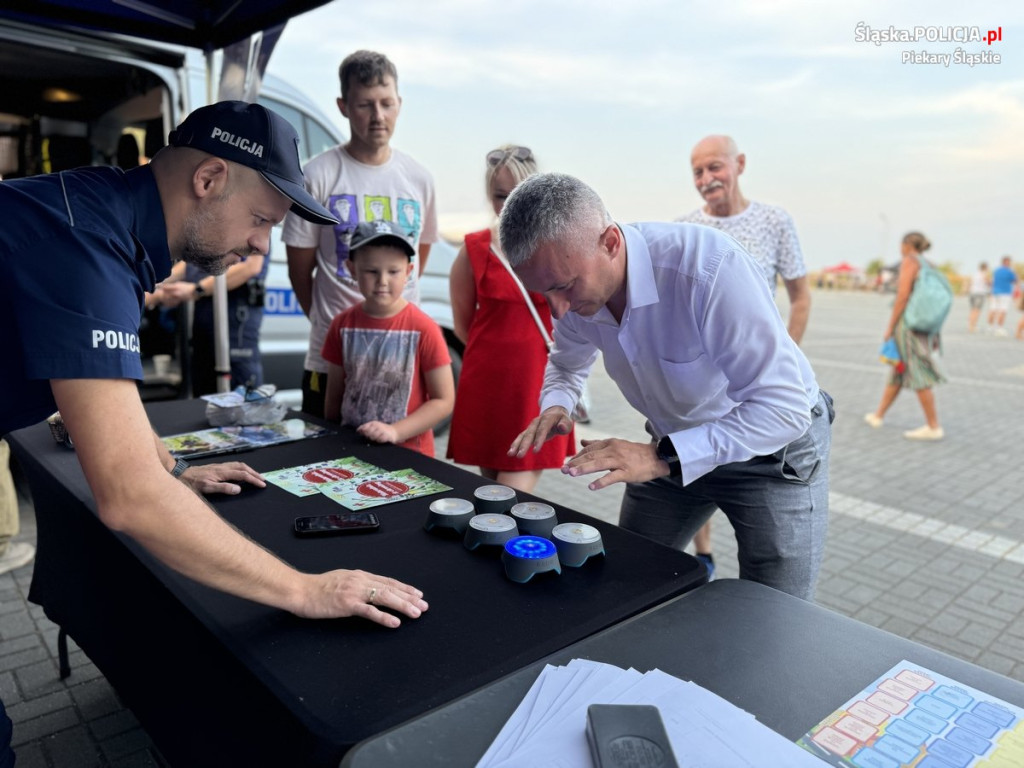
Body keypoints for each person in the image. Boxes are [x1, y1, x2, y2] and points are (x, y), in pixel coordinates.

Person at [0, 101, 430, 626]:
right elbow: (129, 497)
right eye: (260, 219)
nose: (260, 244)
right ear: (208, 178)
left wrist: (173, 469)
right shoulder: (88, 246)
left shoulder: (102, 212)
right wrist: (303, 589)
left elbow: (112, 405)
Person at [502, 173, 833, 601]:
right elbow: (566, 364)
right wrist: (557, 402)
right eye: (542, 292)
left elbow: (783, 408)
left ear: (610, 242)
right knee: (632, 580)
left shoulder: (707, 269)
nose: (558, 309)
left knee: (774, 609)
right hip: (671, 446)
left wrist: (660, 456)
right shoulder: (567, 284)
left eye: (565, 287)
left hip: (772, 452)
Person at [677, 134, 812, 576]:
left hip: (752, 377)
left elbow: (800, 295)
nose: (706, 179)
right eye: (697, 171)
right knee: (698, 469)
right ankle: (704, 556)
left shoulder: (774, 221)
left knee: (749, 480)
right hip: (701, 385)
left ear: (739, 164)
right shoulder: (686, 228)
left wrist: (784, 359)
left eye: (714, 167)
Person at [283, 50, 438, 418]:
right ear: (343, 106)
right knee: (321, 461)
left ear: (399, 104)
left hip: (399, 357)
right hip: (331, 357)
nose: (378, 116)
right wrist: (334, 326)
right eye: (365, 105)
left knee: (399, 463)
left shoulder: (419, 179)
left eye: (386, 103)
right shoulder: (316, 176)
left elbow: (417, 260)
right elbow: (299, 271)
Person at [447, 146, 576, 493]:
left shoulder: (559, 246)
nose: (507, 205)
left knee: (505, 497)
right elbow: (463, 326)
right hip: (486, 387)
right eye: (499, 195)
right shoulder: (473, 248)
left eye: (517, 194)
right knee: (490, 497)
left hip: (536, 387)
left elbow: (577, 316)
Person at [321, 220, 454, 456]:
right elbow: (334, 398)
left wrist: (395, 431)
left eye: (393, 271)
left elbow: (444, 400)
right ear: (352, 269)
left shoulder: (425, 328)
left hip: (410, 456)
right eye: (372, 271)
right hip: (352, 450)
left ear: (409, 272)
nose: (383, 281)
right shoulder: (341, 325)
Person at [864, 232, 945, 440]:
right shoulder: (930, 265)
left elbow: (903, 296)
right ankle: (878, 414)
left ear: (907, 245)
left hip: (908, 326)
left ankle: (933, 426)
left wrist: (890, 327)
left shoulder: (910, 261)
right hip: (923, 325)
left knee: (918, 372)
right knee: (898, 371)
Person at [152, 254, 269, 395]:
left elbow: (250, 267)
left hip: (235, 324)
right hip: (205, 321)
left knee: (241, 399)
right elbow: (192, 262)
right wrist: (154, 282)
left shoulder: (253, 235)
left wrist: (197, 290)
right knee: (203, 392)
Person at [987, 255, 1017, 336]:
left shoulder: (996, 270)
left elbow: (992, 281)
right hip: (1005, 293)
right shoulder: (1010, 271)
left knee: (993, 309)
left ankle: (990, 327)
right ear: (1008, 262)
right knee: (1003, 310)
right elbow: (1015, 281)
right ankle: (999, 328)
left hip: (995, 292)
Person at [967, 262, 990, 333]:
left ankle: (970, 325)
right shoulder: (983, 275)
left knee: (972, 310)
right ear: (986, 268)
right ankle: (973, 326)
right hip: (980, 294)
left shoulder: (975, 274)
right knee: (977, 310)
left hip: (972, 293)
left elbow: (970, 283)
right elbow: (988, 283)